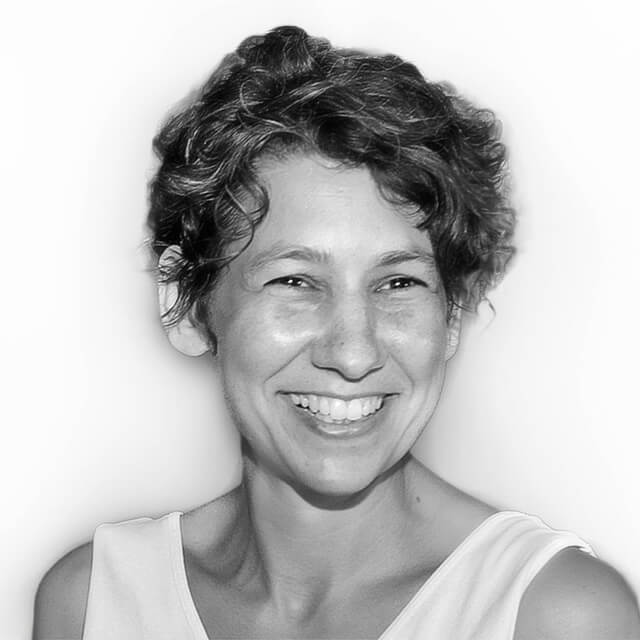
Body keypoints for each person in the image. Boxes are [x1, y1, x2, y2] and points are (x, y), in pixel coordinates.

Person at [33, 25, 640, 640]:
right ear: (187, 306)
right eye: (295, 281)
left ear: (452, 314)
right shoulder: (91, 601)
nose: (353, 354)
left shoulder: (552, 614)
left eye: (399, 283)